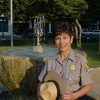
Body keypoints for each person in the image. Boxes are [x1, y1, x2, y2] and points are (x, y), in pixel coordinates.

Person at [38, 21, 93, 100]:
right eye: (58, 38)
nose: (61, 42)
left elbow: (89, 84)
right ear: (55, 40)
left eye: (65, 38)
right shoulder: (51, 61)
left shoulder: (80, 60)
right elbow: (41, 82)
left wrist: (74, 95)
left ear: (71, 39)